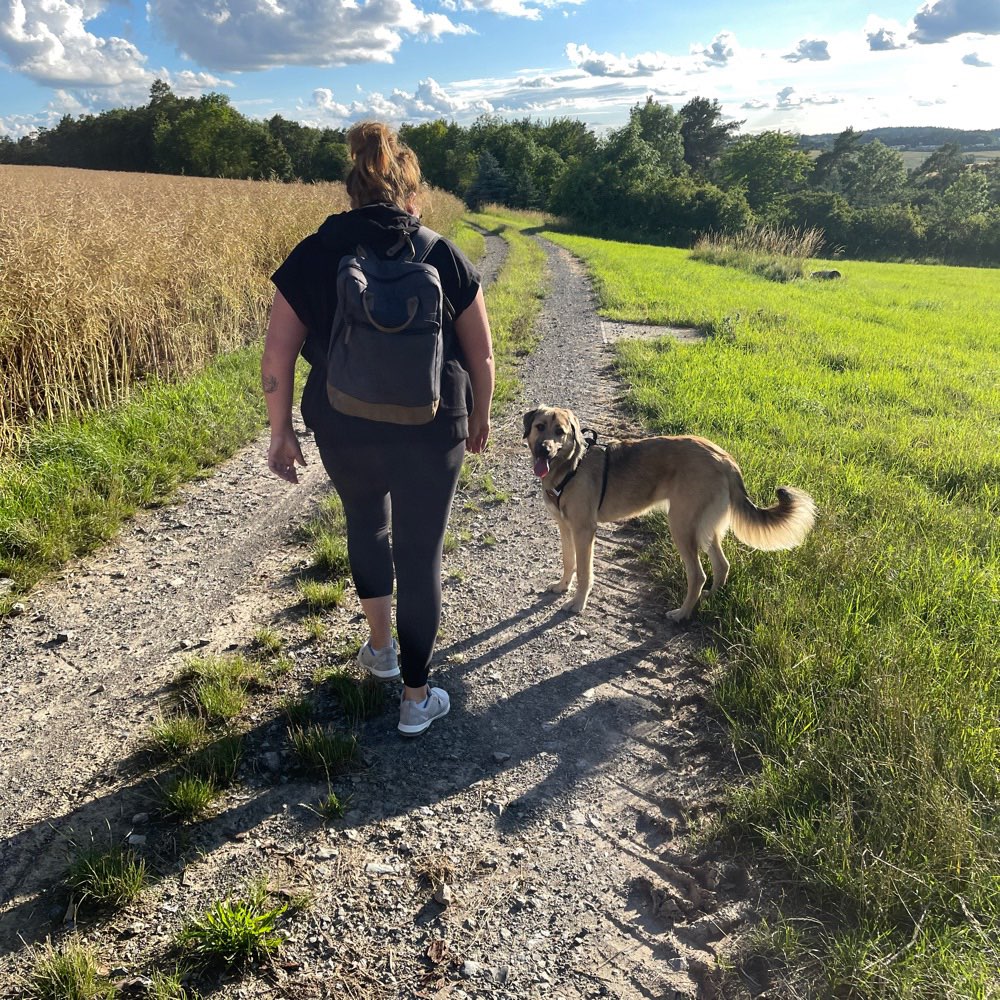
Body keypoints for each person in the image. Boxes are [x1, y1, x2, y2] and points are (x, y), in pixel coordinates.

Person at [261, 121, 494, 736]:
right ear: (409, 193)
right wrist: (481, 417)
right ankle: (416, 701)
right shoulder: (441, 250)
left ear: (352, 189)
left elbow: (276, 358)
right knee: (421, 555)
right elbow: (482, 354)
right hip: (433, 420)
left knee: (366, 521)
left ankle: (382, 650)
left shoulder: (315, 252)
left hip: (343, 420)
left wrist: (280, 430)